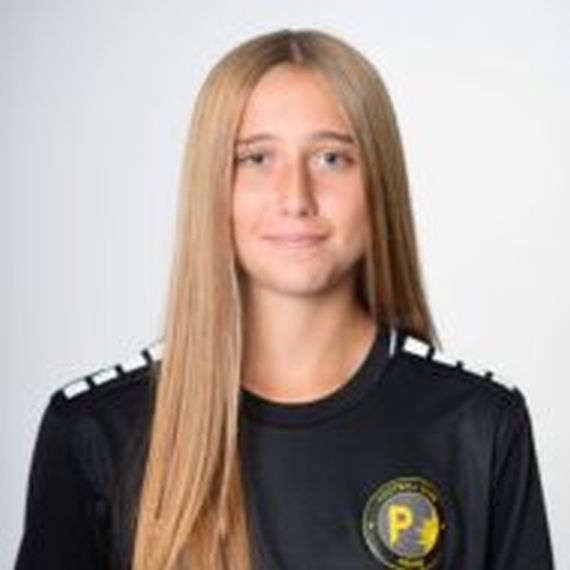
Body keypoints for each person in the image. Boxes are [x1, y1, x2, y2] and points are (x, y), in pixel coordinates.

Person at [14, 28, 554, 570]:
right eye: (256, 158)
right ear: (212, 187)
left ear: (380, 183)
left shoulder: (479, 424)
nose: (296, 198)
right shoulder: (95, 432)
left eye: (331, 158)